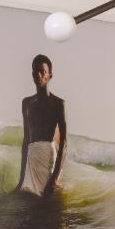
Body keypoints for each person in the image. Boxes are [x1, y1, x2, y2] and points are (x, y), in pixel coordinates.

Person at [16, 54, 67, 196]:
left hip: (48, 158)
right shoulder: (26, 103)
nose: (38, 75)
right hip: (32, 159)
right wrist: (21, 179)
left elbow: (64, 144)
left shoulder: (58, 104)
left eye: (42, 71)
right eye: (35, 71)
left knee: (47, 206)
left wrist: (54, 179)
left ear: (50, 75)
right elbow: (26, 140)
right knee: (26, 203)